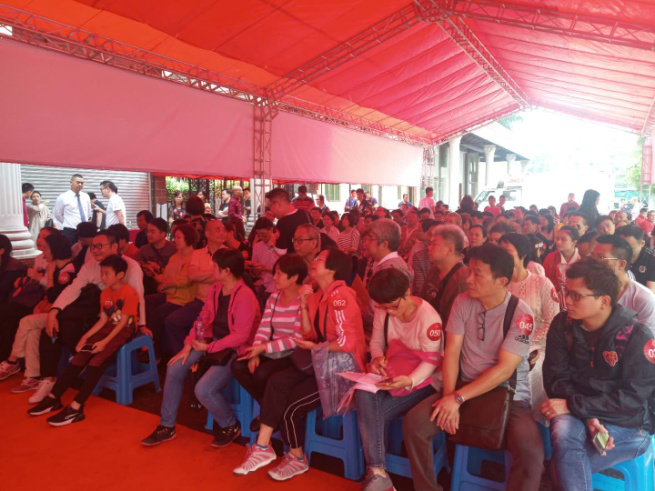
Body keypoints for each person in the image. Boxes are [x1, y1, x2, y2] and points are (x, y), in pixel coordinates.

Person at [403, 243, 543, 491]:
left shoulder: (521, 314)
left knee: (530, 451)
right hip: (462, 386)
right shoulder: (462, 301)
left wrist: (457, 399)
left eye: (477, 274)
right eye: (469, 271)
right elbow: (452, 353)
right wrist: (449, 397)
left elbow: (504, 370)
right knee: (414, 424)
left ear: (501, 281)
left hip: (507, 393)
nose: (468, 279)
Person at [232, 248, 365, 480]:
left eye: (320, 259)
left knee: (288, 405)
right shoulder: (316, 295)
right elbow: (308, 333)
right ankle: (264, 448)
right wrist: (304, 305)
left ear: (332, 269)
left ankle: (294, 456)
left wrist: (315, 347)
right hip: (320, 363)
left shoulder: (341, 296)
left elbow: (347, 342)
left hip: (340, 372)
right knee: (276, 382)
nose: (314, 261)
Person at [542, 257, 655, 491]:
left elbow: (631, 400)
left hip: (626, 424)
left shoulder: (636, 336)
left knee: (562, 462)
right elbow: (555, 379)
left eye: (576, 296)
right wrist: (587, 415)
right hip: (578, 411)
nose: (567, 301)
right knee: (564, 436)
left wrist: (575, 406)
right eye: (566, 292)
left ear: (604, 301)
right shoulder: (563, 325)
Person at [141, 249, 260, 447]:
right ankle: (167, 426)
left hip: (235, 349)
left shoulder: (245, 295)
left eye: (214, 266)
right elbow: (203, 318)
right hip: (212, 342)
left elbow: (240, 336)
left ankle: (230, 425)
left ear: (227, 271)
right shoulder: (216, 288)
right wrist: (188, 345)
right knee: (174, 368)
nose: (211, 268)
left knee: (203, 389)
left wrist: (209, 346)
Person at [34, 230, 146, 405]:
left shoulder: (130, 267)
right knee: (52, 328)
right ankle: (49, 379)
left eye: (99, 246)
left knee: (69, 328)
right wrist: (54, 311)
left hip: (118, 320)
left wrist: (142, 325)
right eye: (93, 246)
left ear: (114, 247)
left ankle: (79, 374)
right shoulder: (90, 266)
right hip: (97, 314)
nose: (95, 250)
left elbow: (138, 297)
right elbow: (73, 289)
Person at [356, 267, 443, 490]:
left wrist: (410, 380)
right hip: (394, 373)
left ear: (408, 292)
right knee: (362, 392)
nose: (390, 312)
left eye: (394, 306)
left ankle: (379, 477)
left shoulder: (428, 318)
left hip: (425, 381)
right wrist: (377, 359)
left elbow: (432, 362)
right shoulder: (383, 310)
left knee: (373, 414)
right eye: (384, 307)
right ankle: (378, 472)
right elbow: (377, 343)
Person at [28, 255, 139, 424]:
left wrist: (103, 342)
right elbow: (103, 320)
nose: (103, 277)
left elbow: (123, 323)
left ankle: (77, 406)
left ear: (120, 275)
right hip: (109, 326)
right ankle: (53, 397)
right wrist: (85, 338)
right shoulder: (105, 293)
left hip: (125, 329)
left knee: (97, 361)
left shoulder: (129, 292)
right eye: (101, 273)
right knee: (80, 356)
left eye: (107, 273)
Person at [232, 253, 307, 428]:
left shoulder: (304, 299)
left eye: (279, 273)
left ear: (294, 277)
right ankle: (269, 409)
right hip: (273, 350)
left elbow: (297, 339)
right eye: (275, 272)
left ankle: (267, 414)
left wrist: (263, 349)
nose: (274, 277)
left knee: (261, 373)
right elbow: (264, 327)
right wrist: (256, 351)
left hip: (293, 354)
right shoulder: (274, 297)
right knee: (238, 365)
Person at [0, 233, 76, 390]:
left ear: (55, 250)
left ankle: (12, 360)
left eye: (46, 249)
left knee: (25, 321)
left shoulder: (68, 271)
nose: (43, 253)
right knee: (32, 332)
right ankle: (33, 376)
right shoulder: (55, 267)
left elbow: (56, 296)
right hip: (50, 311)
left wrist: (49, 277)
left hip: (63, 315)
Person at [145, 223, 197, 356]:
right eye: (175, 237)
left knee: (159, 314)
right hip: (170, 295)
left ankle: (157, 351)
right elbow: (168, 276)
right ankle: (150, 342)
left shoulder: (195, 257)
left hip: (183, 299)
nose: (176, 240)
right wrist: (156, 274)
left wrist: (165, 284)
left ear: (188, 238)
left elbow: (184, 280)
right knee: (146, 301)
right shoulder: (175, 257)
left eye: (179, 237)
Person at [592, 235, 655, 333]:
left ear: (621, 264)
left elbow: (647, 338)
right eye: (592, 256)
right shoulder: (589, 288)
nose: (593, 263)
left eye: (601, 258)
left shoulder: (643, 299)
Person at [421, 225, 469, 327]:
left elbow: (455, 324)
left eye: (434, 244)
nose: (429, 248)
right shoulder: (434, 271)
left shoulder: (462, 280)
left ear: (450, 249)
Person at [364, 219, 413, 287]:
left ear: (384, 244)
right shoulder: (383, 263)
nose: (365, 243)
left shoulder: (391, 273)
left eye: (370, 239)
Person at [134, 218, 178, 295]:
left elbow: (178, 274)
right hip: (148, 290)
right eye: (148, 231)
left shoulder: (174, 250)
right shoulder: (143, 250)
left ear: (163, 234)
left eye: (152, 232)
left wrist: (158, 268)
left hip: (169, 290)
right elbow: (135, 268)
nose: (148, 235)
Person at [543, 226, 581, 309]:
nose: (558, 242)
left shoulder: (582, 258)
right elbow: (545, 282)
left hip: (577, 302)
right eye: (557, 238)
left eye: (563, 239)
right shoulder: (550, 258)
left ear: (574, 242)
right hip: (555, 303)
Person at [267, 188, 311, 255]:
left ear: (277, 205)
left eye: (270, 207)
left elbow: (282, 252)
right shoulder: (305, 213)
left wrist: (271, 243)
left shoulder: (282, 223)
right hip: (309, 258)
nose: (271, 210)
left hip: (294, 260)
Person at [53, 174, 93, 244]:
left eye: (82, 183)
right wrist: (67, 222)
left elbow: (89, 213)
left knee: (85, 249)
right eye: (78, 182)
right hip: (70, 230)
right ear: (71, 183)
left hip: (85, 231)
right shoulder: (63, 197)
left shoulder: (86, 196)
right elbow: (57, 214)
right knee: (70, 249)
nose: (80, 184)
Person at [249, 217, 279, 306]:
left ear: (271, 230)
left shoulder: (279, 245)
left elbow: (285, 270)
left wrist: (266, 269)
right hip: (263, 284)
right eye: (259, 235)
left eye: (263, 234)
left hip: (277, 285)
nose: (261, 237)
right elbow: (254, 271)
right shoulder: (257, 246)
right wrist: (254, 270)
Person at [616, 224, 655, 293]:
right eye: (621, 246)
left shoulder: (652, 259)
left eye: (630, 248)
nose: (624, 251)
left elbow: (650, 291)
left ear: (642, 243)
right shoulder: (614, 254)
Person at [407, 220, 436, 295]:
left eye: (419, 230)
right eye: (430, 234)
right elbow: (420, 289)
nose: (431, 239)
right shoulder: (419, 256)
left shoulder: (453, 261)